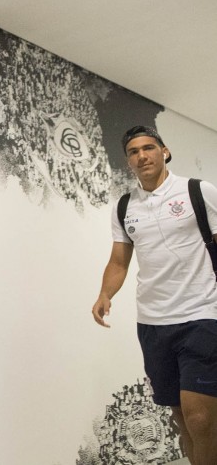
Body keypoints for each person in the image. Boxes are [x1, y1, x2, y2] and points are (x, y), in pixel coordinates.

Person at [91, 125, 217, 465]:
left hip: (203, 315)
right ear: (128, 161)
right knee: (180, 418)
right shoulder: (125, 207)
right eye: (134, 152)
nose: (142, 155)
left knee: (201, 417)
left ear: (164, 151)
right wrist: (105, 294)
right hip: (153, 323)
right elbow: (119, 260)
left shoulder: (198, 191)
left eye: (148, 148)